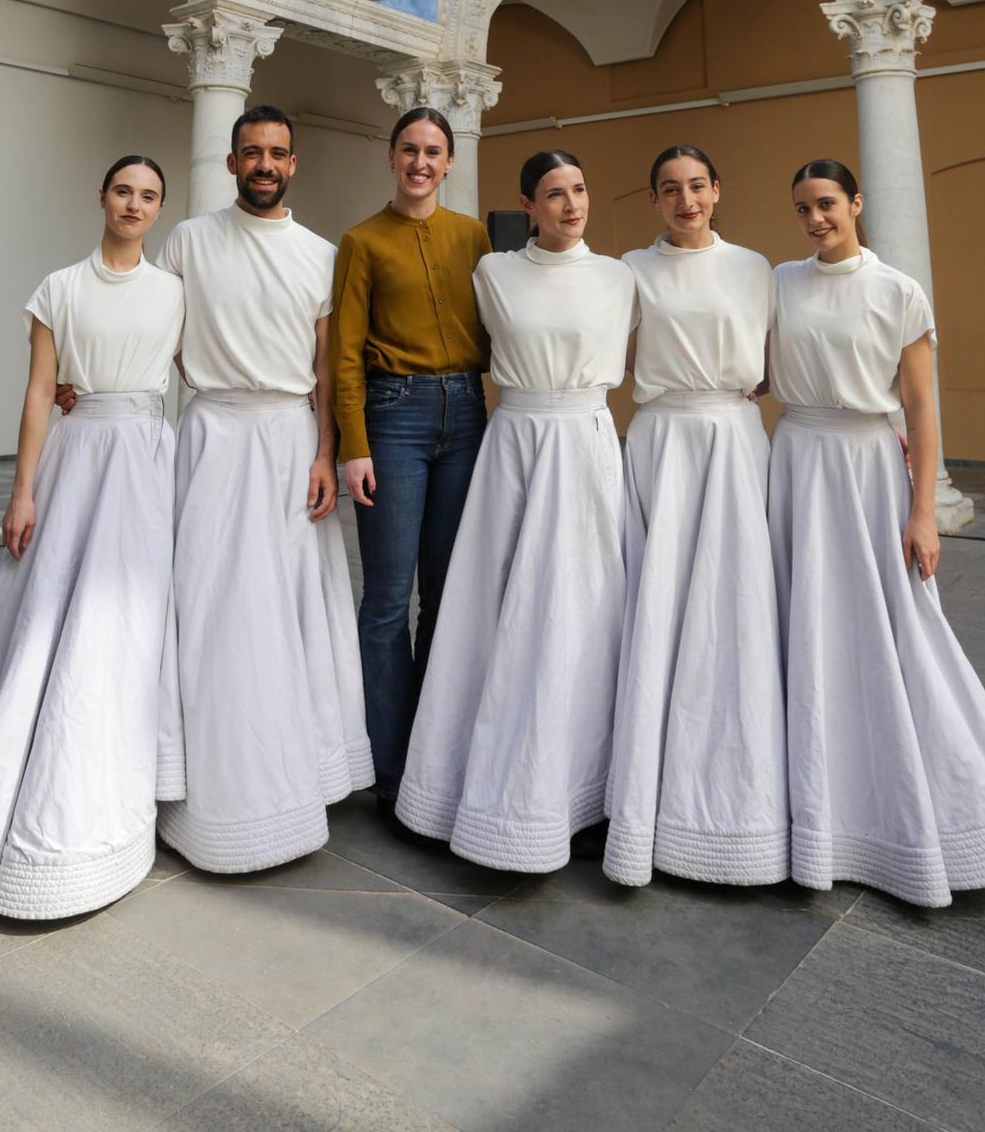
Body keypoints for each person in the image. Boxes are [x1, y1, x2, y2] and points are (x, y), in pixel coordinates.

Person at [0, 157, 185, 917]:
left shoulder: (175, 293)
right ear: (101, 197)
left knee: (124, 627)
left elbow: (203, 374)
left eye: (149, 196)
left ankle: (111, 792)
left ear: (158, 209)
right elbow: (36, 395)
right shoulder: (60, 287)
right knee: (45, 617)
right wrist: (22, 492)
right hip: (76, 460)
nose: (134, 204)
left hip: (145, 465)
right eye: (123, 191)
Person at [768, 158, 985, 906]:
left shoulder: (897, 290)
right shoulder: (779, 283)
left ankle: (939, 809)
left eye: (826, 203)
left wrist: (921, 510)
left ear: (855, 202)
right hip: (795, 462)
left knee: (894, 631)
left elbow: (922, 411)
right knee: (799, 626)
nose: (814, 219)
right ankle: (809, 807)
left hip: (866, 467)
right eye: (801, 209)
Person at [396, 151, 637, 871]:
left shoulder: (619, 276)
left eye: (580, 188)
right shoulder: (491, 272)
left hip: (587, 444)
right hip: (515, 444)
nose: (572, 204)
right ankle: (466, 786)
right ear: (527, 205)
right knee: (498, 607)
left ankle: (579, 790)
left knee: (582, 610)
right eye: (555, 194)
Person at [155, 106, 372, 872]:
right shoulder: (188, 238)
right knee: (205, 599)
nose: (264, 164)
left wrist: (324, 453)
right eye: (251, 152)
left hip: (288, 443)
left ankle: (292, 777)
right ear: (231, 161)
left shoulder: (321, 254)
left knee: (283, 606)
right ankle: (198, 782)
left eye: (277, 153)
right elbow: (161, 334)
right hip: (213, 435)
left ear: (293, 163)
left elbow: (326, 370)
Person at [604, 145, 787, 889]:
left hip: (734, 439)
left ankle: (742, 794)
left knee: (734, 605)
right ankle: (648, 790)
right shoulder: (628, 270)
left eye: (697, 187)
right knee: (658, 603)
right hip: (661, 440)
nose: (686, 201)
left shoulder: (755, 268)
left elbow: (782, 358)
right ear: (653, 199)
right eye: (670, 190)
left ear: (718, 190)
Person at [332, 107, 490, 822]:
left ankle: (436, 754)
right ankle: (389, 766)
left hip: (467, 416)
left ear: (449, 162)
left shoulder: (475, 238)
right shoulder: (361, 241)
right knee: (388, 600)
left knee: (448, 592)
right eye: (408, 150)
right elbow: (342, 350)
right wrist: (353, 444)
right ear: (391, 157)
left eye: (432, 151)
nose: (420, 162)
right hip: (393, 418)